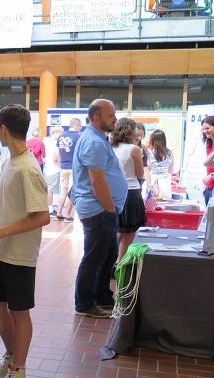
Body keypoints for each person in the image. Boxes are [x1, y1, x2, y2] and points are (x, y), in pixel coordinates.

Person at [0, 104, 50, 378]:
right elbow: (11, 208)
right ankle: (11, 359)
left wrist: (2, 231)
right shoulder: (10, 161)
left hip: (19, 255)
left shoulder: (28, 169)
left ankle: (18, 371)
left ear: (4, 130)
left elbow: (41, 216)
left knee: (19, 312)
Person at [72, 99, 128, 318]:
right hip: (99, 210)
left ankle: (102, 296)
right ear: (96, 117)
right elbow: (97, 182)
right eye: (110, 115)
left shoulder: (98, 139)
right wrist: (110, 208)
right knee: (94, 258)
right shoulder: (93, 142)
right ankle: (84, 303)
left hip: (102, 209)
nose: (115, 118)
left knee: (107, 255)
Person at [110, 118, 146, 263]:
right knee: (130, 231)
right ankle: (120, 262)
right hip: (131, 191)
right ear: (130, 131)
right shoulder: (134, 149)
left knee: (119, 229)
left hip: (114, 191)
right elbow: (140, 174)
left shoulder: (110, 147)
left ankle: (112, 261)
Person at [56, 118, 81, 222]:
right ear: (75, 125)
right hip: (73, 168)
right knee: (72, 191)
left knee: (63, 191)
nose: (81, 128)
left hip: (63, 167)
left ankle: (58, 213)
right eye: (80, 126)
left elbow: (58, 154)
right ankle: (68, 215)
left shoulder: (61, 136)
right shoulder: (78, 137)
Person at [147, 130, 174, 199]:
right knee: (164, 207)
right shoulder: (170, 153)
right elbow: (170, 170)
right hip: (165, 184)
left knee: (149, 207)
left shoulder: (148, 152)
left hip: (151, 182)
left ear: (152, 139)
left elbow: (147, 169)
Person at [43, 126, 62, 217]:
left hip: (47, 168)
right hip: (55, 168)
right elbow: (55, 158)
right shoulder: (56, 142)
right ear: (57, 132)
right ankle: (52, 209)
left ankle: (51, 208)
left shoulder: (45, 140)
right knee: (54, 189)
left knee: (49, 188)